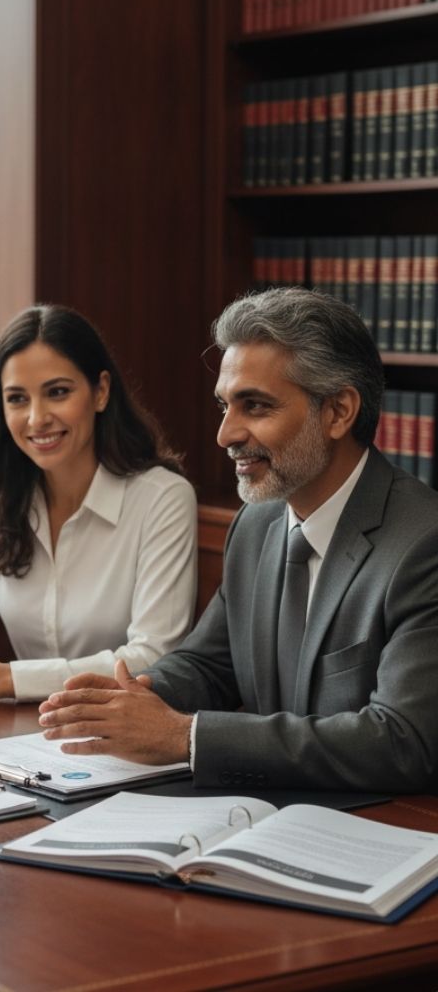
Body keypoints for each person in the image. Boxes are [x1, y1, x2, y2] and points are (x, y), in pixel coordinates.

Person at [39, 287, 438, 792]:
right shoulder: (258, 524)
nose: (225, 434)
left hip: (388, 835)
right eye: (225, 406)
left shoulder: (424, 543)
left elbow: (403, 741)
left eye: (255, 406)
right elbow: (210, 664)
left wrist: (186, 737)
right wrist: (131, 699)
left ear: (338, 412)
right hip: (271, 810)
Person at [0, 304, 198, 703]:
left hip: (123, 736)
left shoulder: (162, 499)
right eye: (17, 399)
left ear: (101, 392)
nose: (37, 418)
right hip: (24, 733)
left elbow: (153, 655)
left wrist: (6, 679)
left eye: (57, 392)